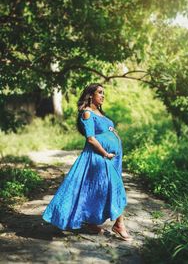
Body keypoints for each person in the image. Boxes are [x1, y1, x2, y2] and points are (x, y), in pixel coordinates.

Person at [42, 83, 132, 241]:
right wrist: (105, 153)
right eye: (100, 92)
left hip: (112, 158)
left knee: (96, 189)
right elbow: (90, 138)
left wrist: (112, 132)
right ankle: (119, 224)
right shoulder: (87, 113)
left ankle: (91, 222)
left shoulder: (99, 112)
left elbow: (103, 129)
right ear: (91, 95)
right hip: (98, 157)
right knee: (115, 188)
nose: (103, 96)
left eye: (104, 93)